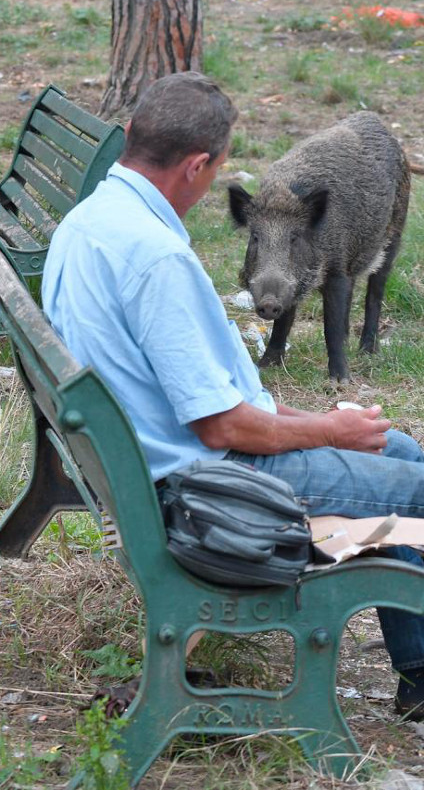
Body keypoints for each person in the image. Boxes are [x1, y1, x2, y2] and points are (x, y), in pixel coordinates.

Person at [40, 71, 424, 721]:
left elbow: (211, 400)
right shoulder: (156, 257)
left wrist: (327, 419)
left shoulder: (88, 225)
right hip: (202, 495)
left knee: (400, 449)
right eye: (215, 169)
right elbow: (222, 428)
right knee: (415, 488)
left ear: (132, 135)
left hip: (143, 468)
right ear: (196, 166)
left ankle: (418, 670)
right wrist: (330, 431)